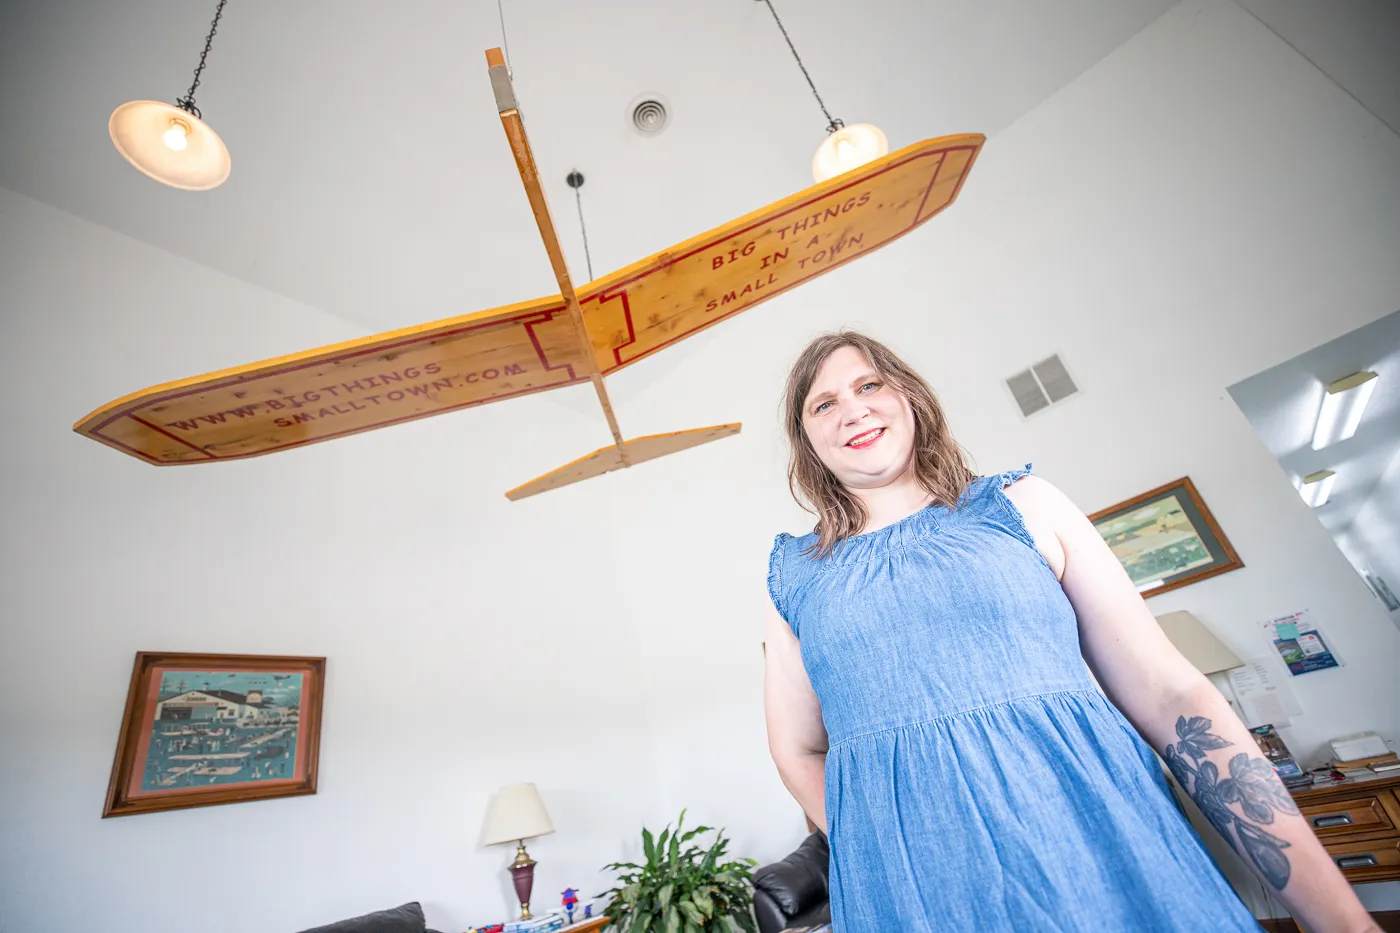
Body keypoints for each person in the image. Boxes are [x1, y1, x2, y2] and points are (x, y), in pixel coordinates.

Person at [762, 331, 1379, 932]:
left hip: (1098, 840)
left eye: (869, 383)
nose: (853, 409)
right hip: (915, 889)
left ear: (910, 396)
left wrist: (1344, 921)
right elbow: (796, 748)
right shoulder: (792, 575)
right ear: (807, 438)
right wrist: (879, 848)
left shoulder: (1028, 504)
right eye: (824, 403)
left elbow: (1170, 696)